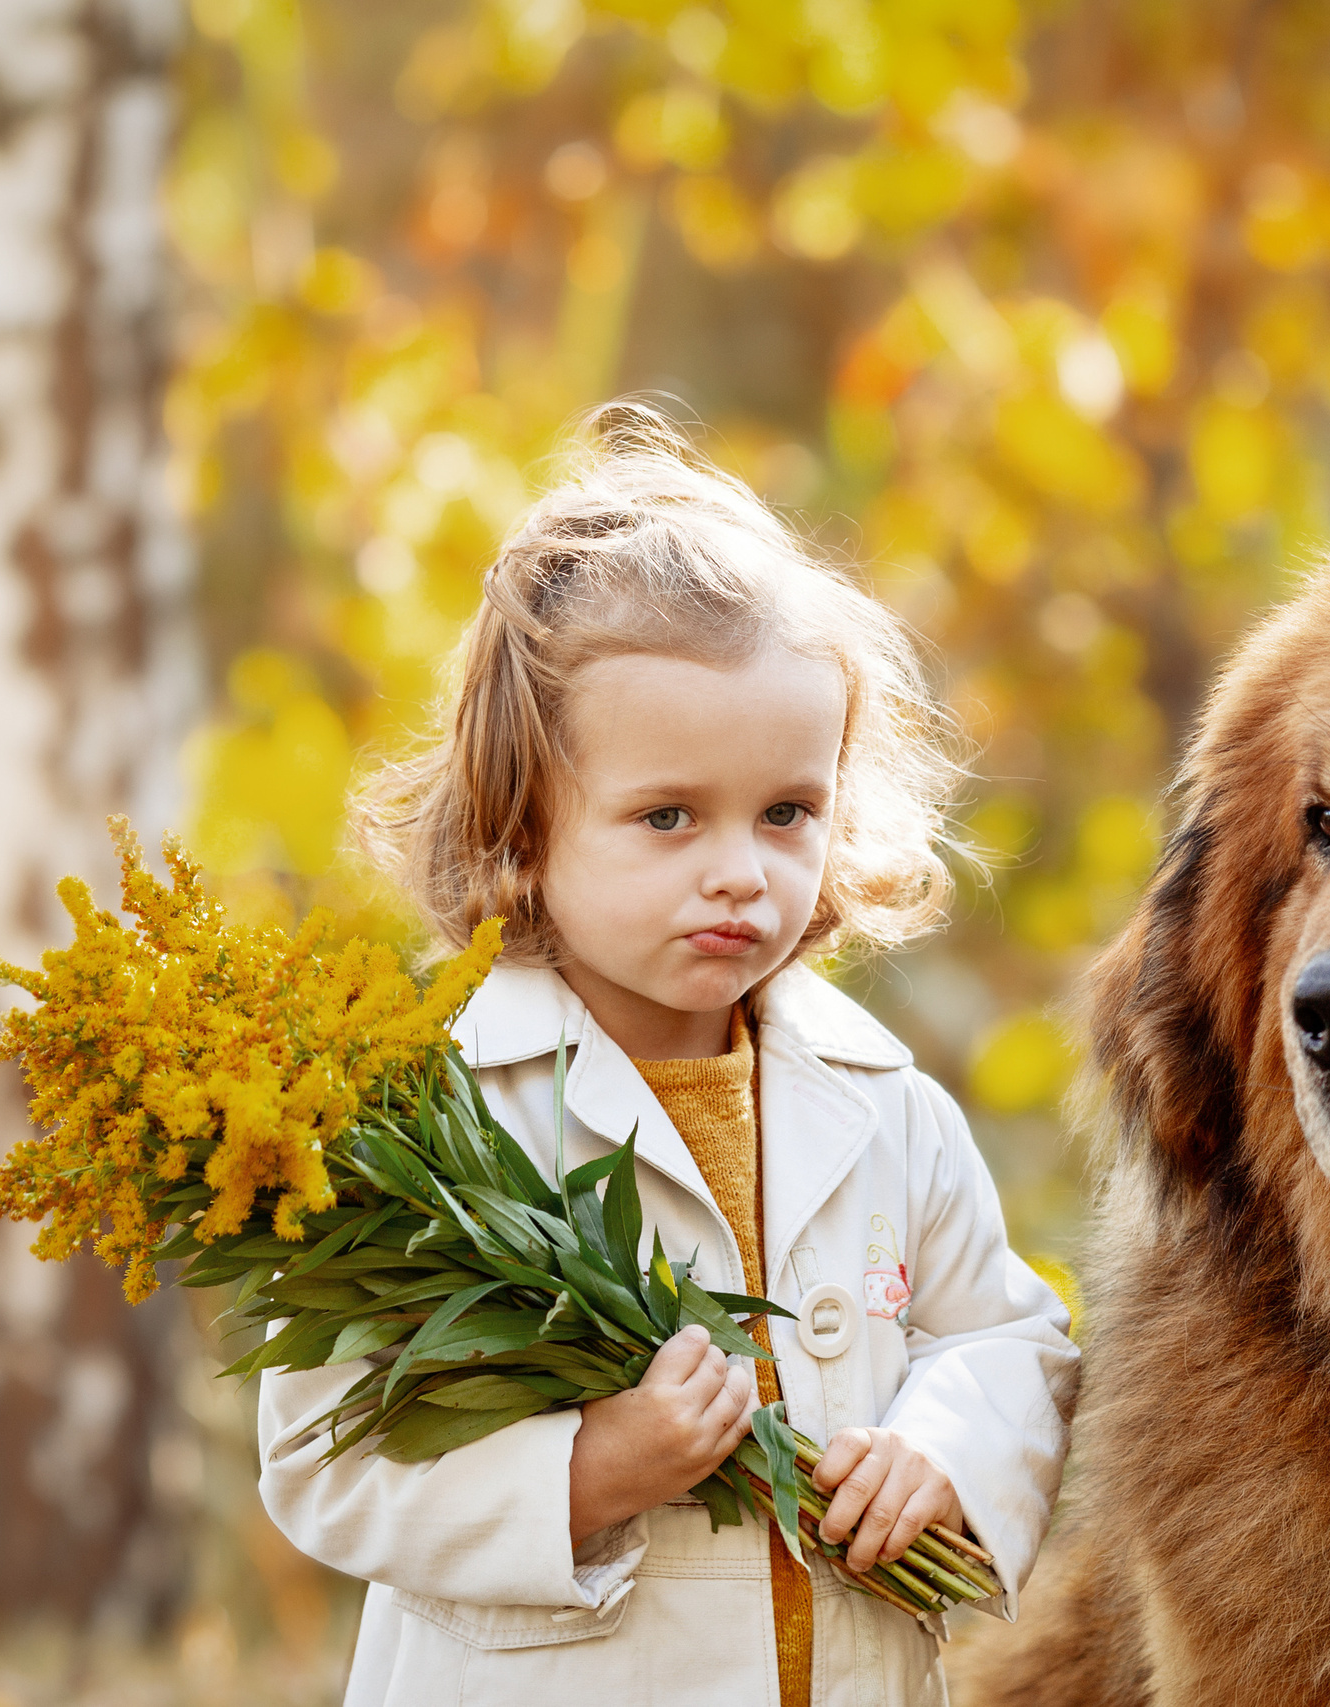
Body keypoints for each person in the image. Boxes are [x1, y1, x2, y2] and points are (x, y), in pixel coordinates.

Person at [258, 404, 1080, 1707]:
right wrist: (587, 1471)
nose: (741, 873)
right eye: (669, 818)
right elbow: (324, 1456)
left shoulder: (888, 1102)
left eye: (787, 813)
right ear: (521, 826)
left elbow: (1006, 1336)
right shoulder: (426, 1117)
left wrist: (944, 1453)